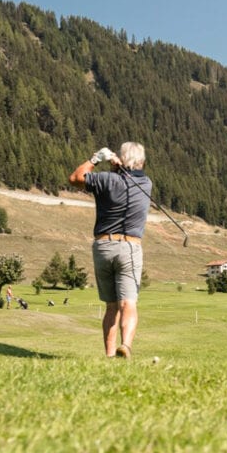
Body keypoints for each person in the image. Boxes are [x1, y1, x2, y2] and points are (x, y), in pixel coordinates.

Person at [69, 142, 152, 359]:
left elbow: (76, 178)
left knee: (111, 306)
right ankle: (125, 345)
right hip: (130, 248)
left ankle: (109, 355)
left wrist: (97, 158)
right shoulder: (146, 184)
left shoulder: (106, 180)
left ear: (122, 161)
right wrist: (121, 165)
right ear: (141, 162)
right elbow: (132, 175)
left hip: (103, 247)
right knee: (128, 303)